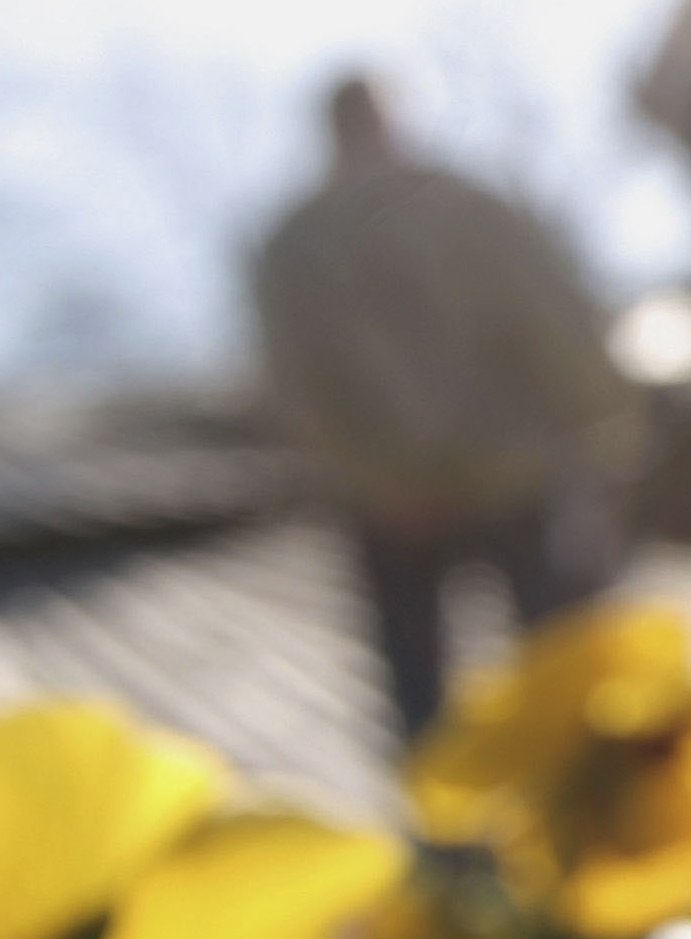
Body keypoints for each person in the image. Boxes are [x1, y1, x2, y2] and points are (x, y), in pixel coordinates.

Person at [251, 72, 637, 739]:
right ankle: (504, 820)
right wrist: (605, 433)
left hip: (462, 487)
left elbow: (294, 388)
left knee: (510, 667)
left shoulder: (306, 238)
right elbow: (298, 383)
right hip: (452, 486)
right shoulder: (319, 240)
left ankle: (503, 821)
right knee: (491, 674)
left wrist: (370, 483)